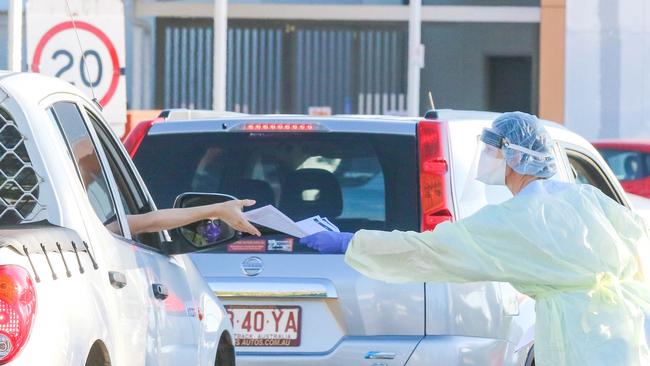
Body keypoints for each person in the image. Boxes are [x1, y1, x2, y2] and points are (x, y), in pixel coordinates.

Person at [301, 112, 650, 365]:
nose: (486, 158)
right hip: (620, 333)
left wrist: (351, 242)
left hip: (574, 341)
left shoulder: (515, 219)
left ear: (515, 157)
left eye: (492, 150)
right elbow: (638, 240)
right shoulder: (585, 198)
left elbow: (432, 250)